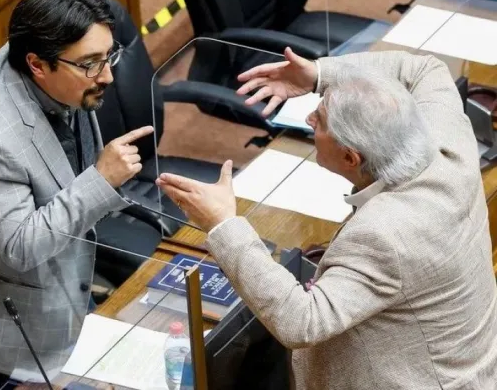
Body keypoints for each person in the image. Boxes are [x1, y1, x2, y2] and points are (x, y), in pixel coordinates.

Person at [156, 48, 497, 389]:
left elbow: (301, 321)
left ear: (351, 157)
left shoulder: (385, 236)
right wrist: (319, 75)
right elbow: (425, 67)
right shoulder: (451, 146)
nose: (308, 121)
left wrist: (222, 223)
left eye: (319, 120)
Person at [0, 0, 153, 387]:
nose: (107, 75)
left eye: (109, 56)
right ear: (37, 65)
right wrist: (100, 180)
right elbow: (21, 247)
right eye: (91, 64)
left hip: (70, 276)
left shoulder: (55, 58)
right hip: (13, 310)